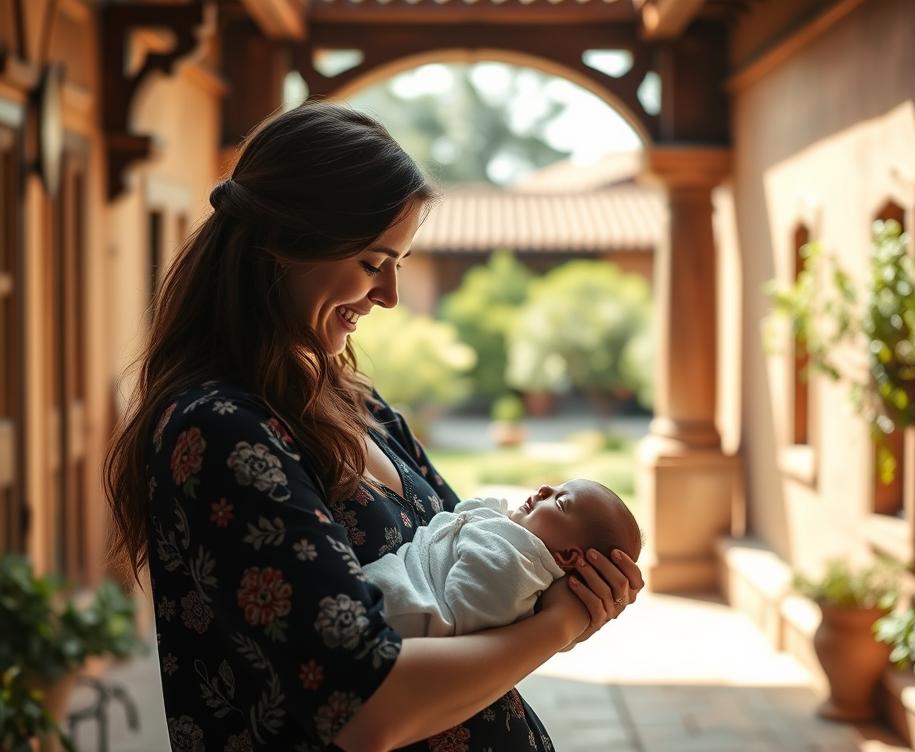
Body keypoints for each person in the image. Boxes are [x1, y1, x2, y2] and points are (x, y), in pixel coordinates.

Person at [104, 101, 645, 752]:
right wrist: (560, 626)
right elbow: (366, 710)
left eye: (400, 262)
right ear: (284, 240)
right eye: (371, 261)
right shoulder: (219, 432)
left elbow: (471, 601)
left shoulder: (355, 401)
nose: (389, 294)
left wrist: (571, 584)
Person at [364, 480, 643, 637]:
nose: (544, 489)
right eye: (556, 487)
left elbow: (467, 623)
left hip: (395, 609)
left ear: (569, 555)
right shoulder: (508, 540)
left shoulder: (515, 565)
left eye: (559, 502)